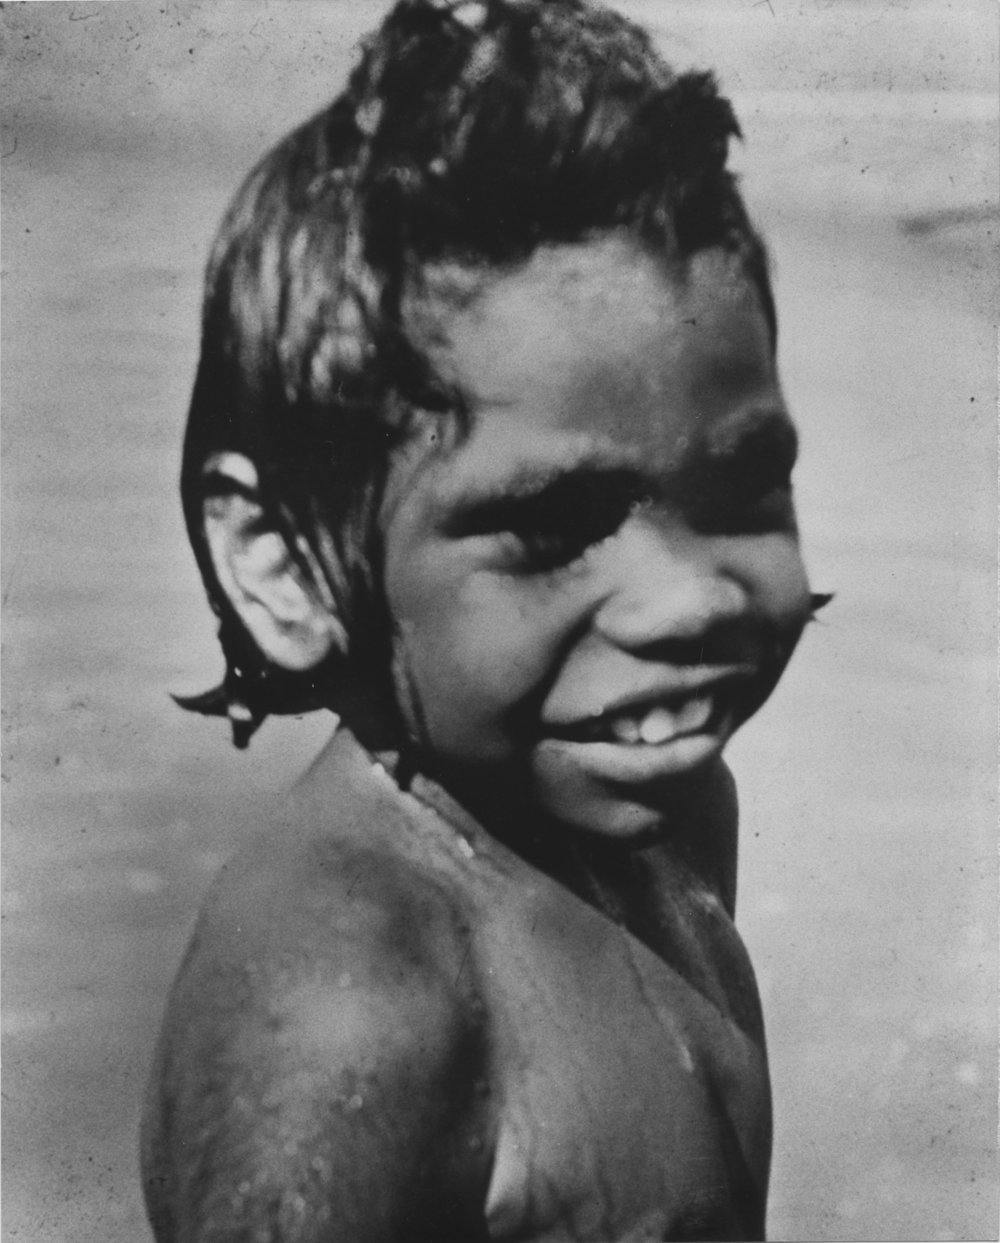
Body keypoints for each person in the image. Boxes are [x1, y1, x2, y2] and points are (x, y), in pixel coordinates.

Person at [142, 1, 826, 1237]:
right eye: (553, 525)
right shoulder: (349, 987)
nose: (691, 596)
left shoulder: (666, 819)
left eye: (738, 488)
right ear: (284, 566)